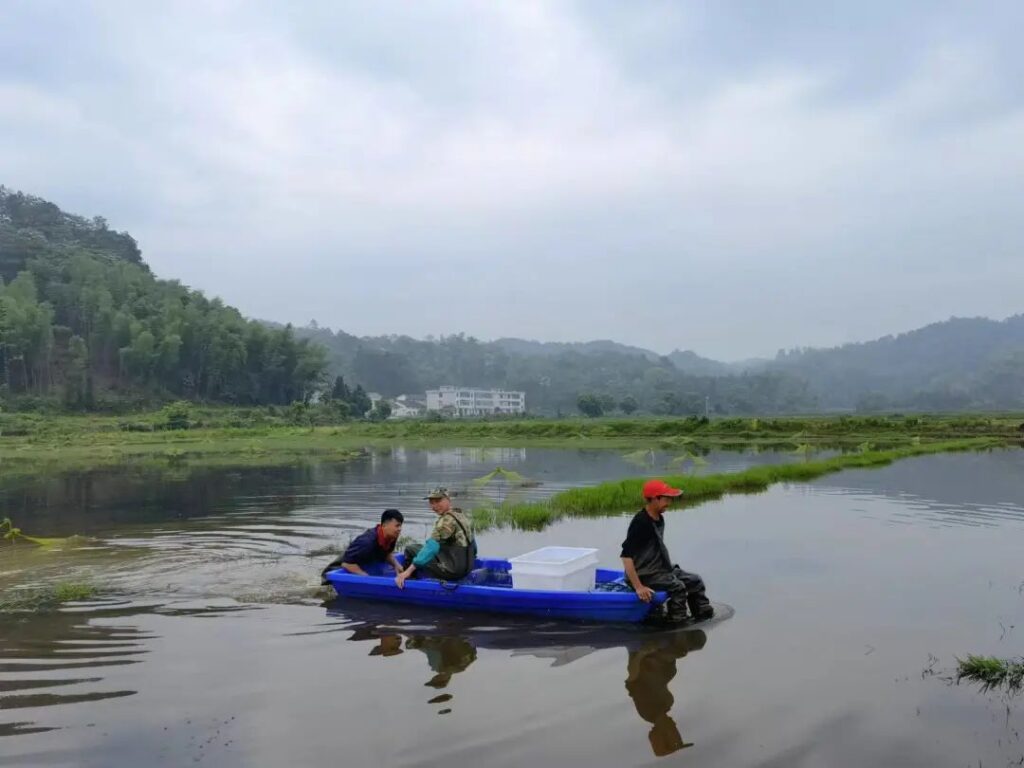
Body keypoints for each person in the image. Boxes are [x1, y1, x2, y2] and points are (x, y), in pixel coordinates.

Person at [620, 479, 713, 623]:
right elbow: (626, 556)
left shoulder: (659, 517)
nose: (669, 503)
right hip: (645, 573)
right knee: (678, 588)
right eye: (666, 499)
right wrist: (638, 587)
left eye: (670, 499)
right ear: (654, 499)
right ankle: (677, 623)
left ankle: (703, 616)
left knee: (695, 581)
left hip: (660, 569)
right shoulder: (641, 522)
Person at [396, 487, 476, 587]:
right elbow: (474, 545)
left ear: (448, 499)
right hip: (467, 569)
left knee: (411, 549)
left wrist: (407, 571)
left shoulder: (445, 522)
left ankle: (408, 580)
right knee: (434, 547)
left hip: (453, 572)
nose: (434, 506)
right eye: (431, 502)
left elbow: (431, 548)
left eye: (438, 501)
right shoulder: (461, 515)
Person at [321, 509, 404, 580]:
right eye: (397, 526)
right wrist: (366, 578)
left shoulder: (391, 536)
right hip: (336, 571)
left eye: (400, 526)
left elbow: (386, 553)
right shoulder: (368, 542)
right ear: (385, 525)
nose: (399, 529)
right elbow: (346, 564)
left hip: (361, 563)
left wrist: (396, 565)